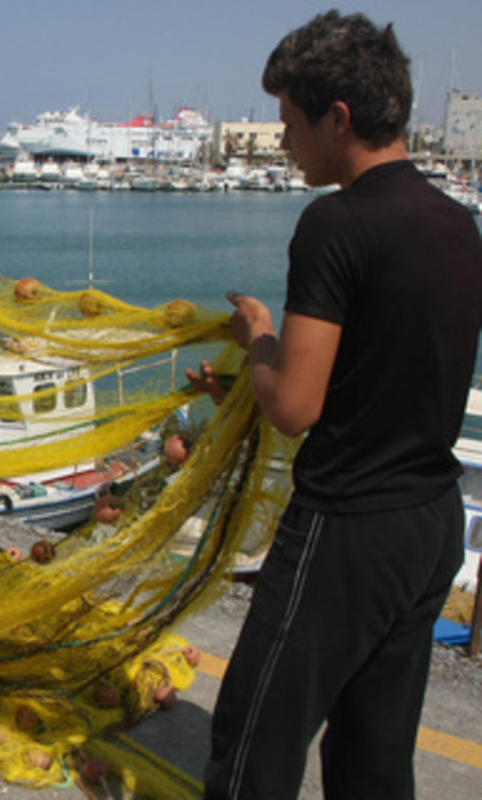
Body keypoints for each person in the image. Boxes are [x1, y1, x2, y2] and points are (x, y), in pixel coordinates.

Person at [188, 12, 482, 798]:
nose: (282, 142)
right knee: (373, 755)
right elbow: (386, 369)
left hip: (346, 527)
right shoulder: (458, 225)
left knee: (254, 741)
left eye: (289, 123)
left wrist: (256, 338)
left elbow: (293, 405)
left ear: (338, 119)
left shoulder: (337, 223)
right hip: (429, 521)